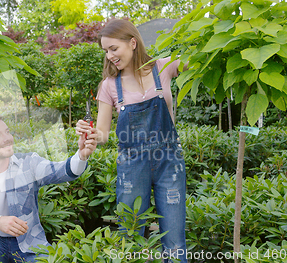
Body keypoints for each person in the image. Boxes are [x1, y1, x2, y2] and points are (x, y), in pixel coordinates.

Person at [76, 19, 187, 262]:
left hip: (169, 162)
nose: (109, 56)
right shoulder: (109, 86)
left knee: (175, 238)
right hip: (131, 166)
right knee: (129, 235)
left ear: (133, 42)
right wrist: (90, 133)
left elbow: (199, 62)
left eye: (113, 49)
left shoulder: (163, 67)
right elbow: (103, 132)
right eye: (105, 51)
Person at [0, 113, 98, 263]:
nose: (7, 138)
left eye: (7, 132)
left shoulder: (28, 163)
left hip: (30, 246)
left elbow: (62, 171)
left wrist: (82, 155)